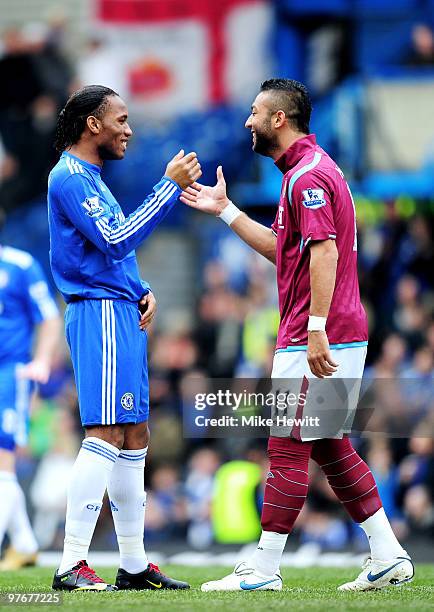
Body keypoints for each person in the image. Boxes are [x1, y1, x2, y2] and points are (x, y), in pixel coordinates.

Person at [180, 78, 414, 592]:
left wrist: (314, 329)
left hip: (319, 333)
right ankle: (388, 552)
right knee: (328, 444)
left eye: (255, 112)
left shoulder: (307, 178)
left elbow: (324, 254)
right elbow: (286, 250)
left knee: (286, 445)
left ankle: (263, 569)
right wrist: (227, 210)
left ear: (279, 119)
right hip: (336, 329)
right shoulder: (306, 173)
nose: (247, 121)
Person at [47, 85, 201, 591]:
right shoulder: (70, 177)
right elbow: (116, 238)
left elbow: (110, 250)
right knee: (106, 432)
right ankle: (71, 562)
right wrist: (168, 186)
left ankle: (133, 564)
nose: (129, 130)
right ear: (94, 124)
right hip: (99, 317)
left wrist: (141, 287)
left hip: (120, 311)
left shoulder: (91, 178)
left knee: (134, 435)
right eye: (121, 119)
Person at [0, 220, 61, 570]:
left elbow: (50, 317)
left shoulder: (20, 266)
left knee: (4, 458)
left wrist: (40, 360)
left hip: (10, 373)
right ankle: (24, 544)